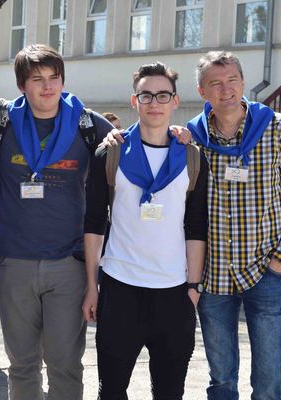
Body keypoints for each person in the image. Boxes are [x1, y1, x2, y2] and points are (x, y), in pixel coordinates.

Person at [0, 44, 114, 400]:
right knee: (22, 365)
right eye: (37, 79)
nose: (48, 87)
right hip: (13, 261)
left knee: (65, 364)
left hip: (69, 263)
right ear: (22, 85)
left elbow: (138, 145)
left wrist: (178, 134)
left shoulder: (87, 123)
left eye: (54, 78)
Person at [187, 51, 281, 399]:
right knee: (221, 380)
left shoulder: (276, 128)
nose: (226, 89)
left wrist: (280, 262)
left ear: (243, 82)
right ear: (202, 91)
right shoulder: (194, 138)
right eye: (215, 83)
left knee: (268, 380)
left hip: (265, 273)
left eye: (232, 80)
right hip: (213, 278)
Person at [83, 62, 208, 399]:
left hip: (174, 293)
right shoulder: (110, 153)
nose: (155, 102)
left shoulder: (192, 157)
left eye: (163, 95)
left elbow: (196, 227)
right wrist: (92, 286)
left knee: (169, 392)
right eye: (146, 95)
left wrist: (193, 288)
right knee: (111, 391)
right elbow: (94, 224)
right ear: (134, 100)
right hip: (120, 288)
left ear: (175, 101)